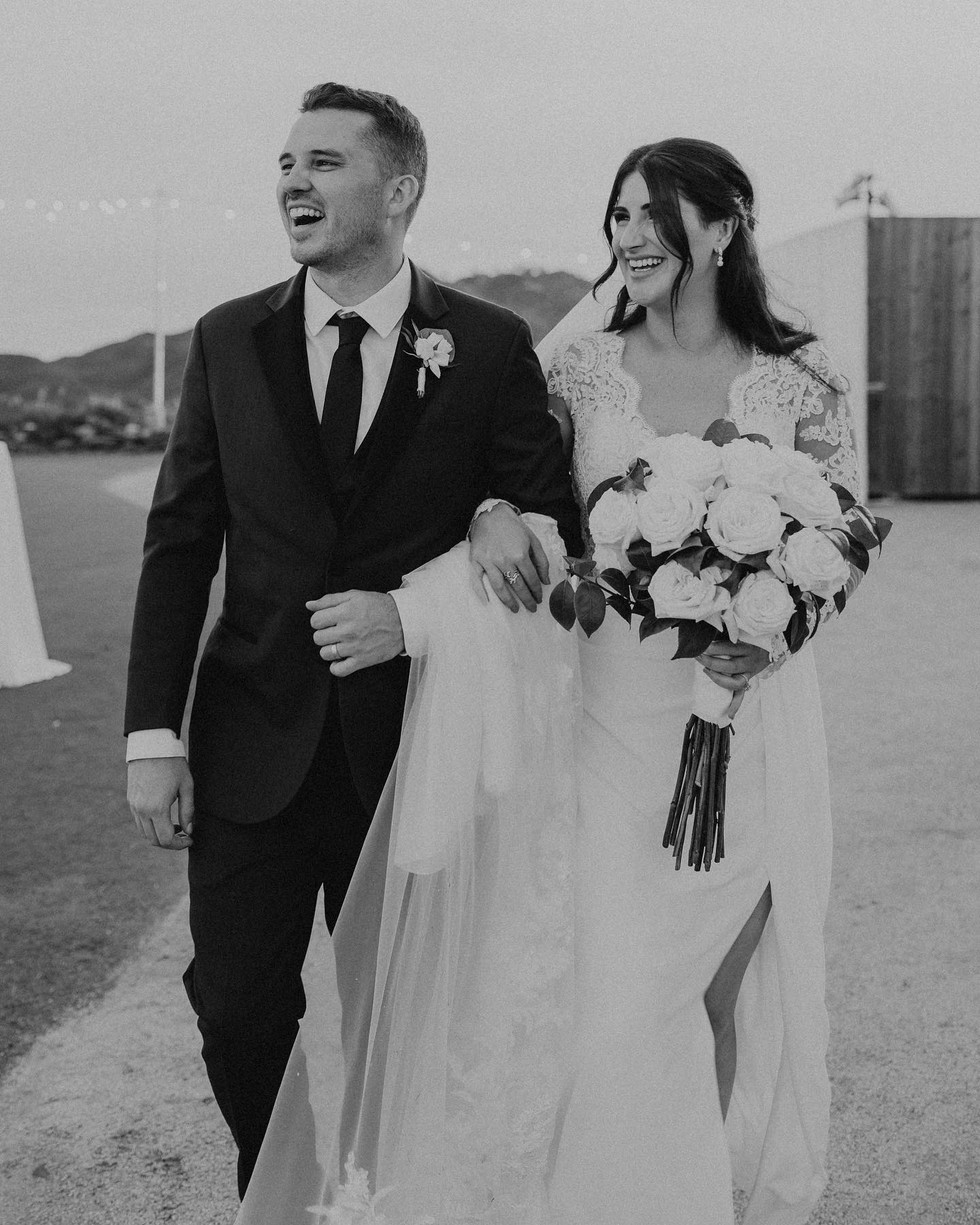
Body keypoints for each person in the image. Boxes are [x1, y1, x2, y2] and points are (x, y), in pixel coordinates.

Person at [237, 140, 863, 1224]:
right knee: (621, 995)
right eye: (618, 214)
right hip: (611, 719)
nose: (630, 235)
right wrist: (492, 512)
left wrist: (770, 635)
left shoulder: (802, 379)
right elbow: (506, 476)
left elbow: (842, 538)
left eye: (655, 213)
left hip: (749, 717)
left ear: (722, 228)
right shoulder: (577, 367)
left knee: (710, 992)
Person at [124, 81, 581, 1201]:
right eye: (287, 163)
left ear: (400, 187)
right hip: (251, 739)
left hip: (414, 753)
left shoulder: (486, 344)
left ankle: (374, 1197)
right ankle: (282, 1191)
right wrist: (151, 734)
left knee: (399, 1016)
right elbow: (181, 541)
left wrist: (488, 520)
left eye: (325, 162)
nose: (293, 181)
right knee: (235, 1005)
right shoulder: (227, 338)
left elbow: (550, 524)